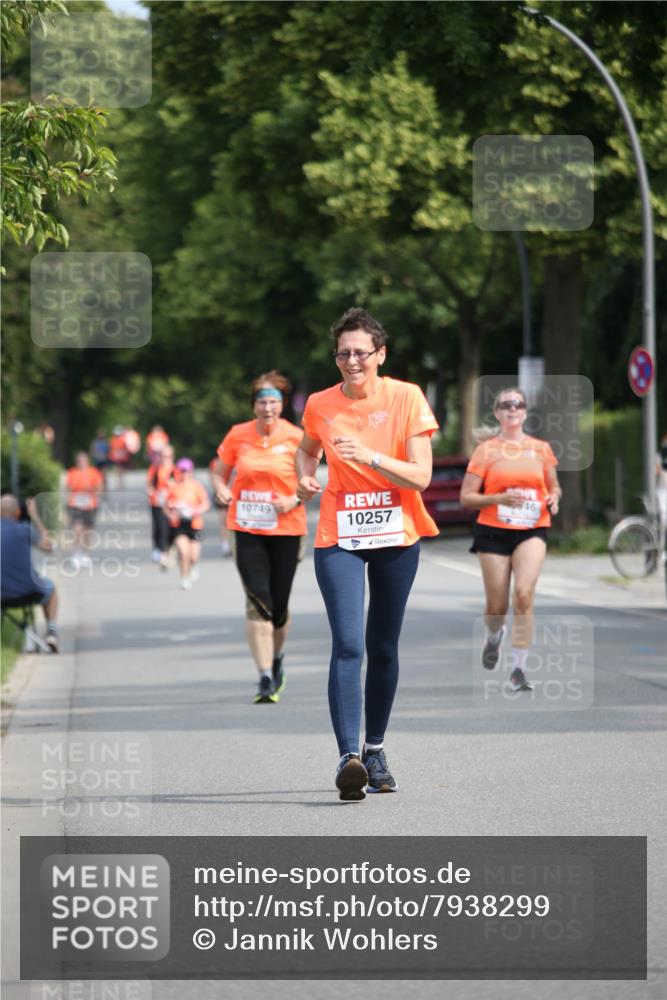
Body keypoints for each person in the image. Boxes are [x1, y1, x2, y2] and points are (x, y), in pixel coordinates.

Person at [295, 307, 438, 801]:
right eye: (343, 353)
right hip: (340, 536)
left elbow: (421, 477)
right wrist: (304, 475)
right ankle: (348, 758)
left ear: (380, 355)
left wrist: (369, 455)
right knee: (349, 643)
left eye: (360, 352)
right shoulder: (318, 403)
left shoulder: (407, 398)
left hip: (397, 534)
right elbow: (306, 447)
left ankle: (374, 748)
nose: (351, 360)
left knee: (382, 647)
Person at [459, 386, 561, 693]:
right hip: (493, 531)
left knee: (524, 595)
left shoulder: (541, 448)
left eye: (518, 404)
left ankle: (518, 668)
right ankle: (494, 636)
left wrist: (554, 498)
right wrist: (499, 497)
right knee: (497, 604)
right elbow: (466, 497)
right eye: (506, 405)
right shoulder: (486, 450)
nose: (512, 409)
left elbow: (553, 487)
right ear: (497, 413)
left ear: (526, 412)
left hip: (532, 528)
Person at [216, 372, 307, 704]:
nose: (268, 408)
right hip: (246, 527)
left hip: (287, 528)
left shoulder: (297, 437)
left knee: (279, 606)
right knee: (259, 601)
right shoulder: (237, 435)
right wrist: (221, 487)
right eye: (262, 402)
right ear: (253, 406)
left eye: (274, 402)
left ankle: (277, 657)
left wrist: (295, 499)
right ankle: (265, 676)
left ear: (282, 406)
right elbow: (219, 471)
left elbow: (309, 481)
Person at [1, 494, 59, 652]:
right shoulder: (24, 529)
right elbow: (50, 546)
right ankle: (52, 633)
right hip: (28, 591)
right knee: (51, 589)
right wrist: (35, 516)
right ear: (18, 512)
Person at [165, 458, 210, 589]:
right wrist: (171, 514)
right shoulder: (173, 487)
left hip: (195, 524)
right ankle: (184, 578)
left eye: (187, 471)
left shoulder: (196, 487)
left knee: (194, 556)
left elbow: (205, 504)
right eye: (182, 471)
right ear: (178, 471)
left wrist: (197, 510)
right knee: (184, 553)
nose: (184, 474)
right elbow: (166, 506)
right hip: (179, 525)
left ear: (191, 472)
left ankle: (193, 566)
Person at [65, 451, 105, 568]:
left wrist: (93, 491)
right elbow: (68, 487)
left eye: (83, 460)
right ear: (77, 462)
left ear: (87, 461)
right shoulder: (72, 472)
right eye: (79, 461)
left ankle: (85, 554)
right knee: (77, 529)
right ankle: (76, 554)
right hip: (76, 504)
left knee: (87, 531)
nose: (81, 463)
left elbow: (100, 488)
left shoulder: (94, 472)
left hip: (90, 504)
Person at [147, 444, 176, 568]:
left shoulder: (176, 470)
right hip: (157, 502)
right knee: (159, 526)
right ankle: (158, 549)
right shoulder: (155, 469)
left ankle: (168, 548)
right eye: (164, 456)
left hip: (171, 503)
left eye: (169, 456)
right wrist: (154, 493)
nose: (166, 458)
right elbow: (149, 485)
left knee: (170, 527)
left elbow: (182, 485)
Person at [208, 455, 232, 557]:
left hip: (234, 492)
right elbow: (213, 477)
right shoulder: (216, 462)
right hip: (222, 493)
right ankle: (225, 545)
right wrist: (220, 490)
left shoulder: (234, 458)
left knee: (233, 522)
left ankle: (233, 544)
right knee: (224, 521)